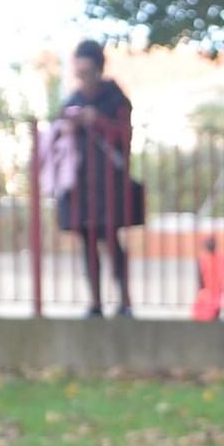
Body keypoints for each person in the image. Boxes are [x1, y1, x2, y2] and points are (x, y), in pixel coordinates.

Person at [59, 40, 137, 318]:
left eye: (87, 72)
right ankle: (95, 303)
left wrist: (98, 122)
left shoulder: (115, 98)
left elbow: (125, 138)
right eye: (78, 73)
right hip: (80, 184)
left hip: (109, 184)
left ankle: (125, 301)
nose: (83, 79)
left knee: (111, 239)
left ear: (99, 70)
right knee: (87, 241)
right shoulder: (72, 101)